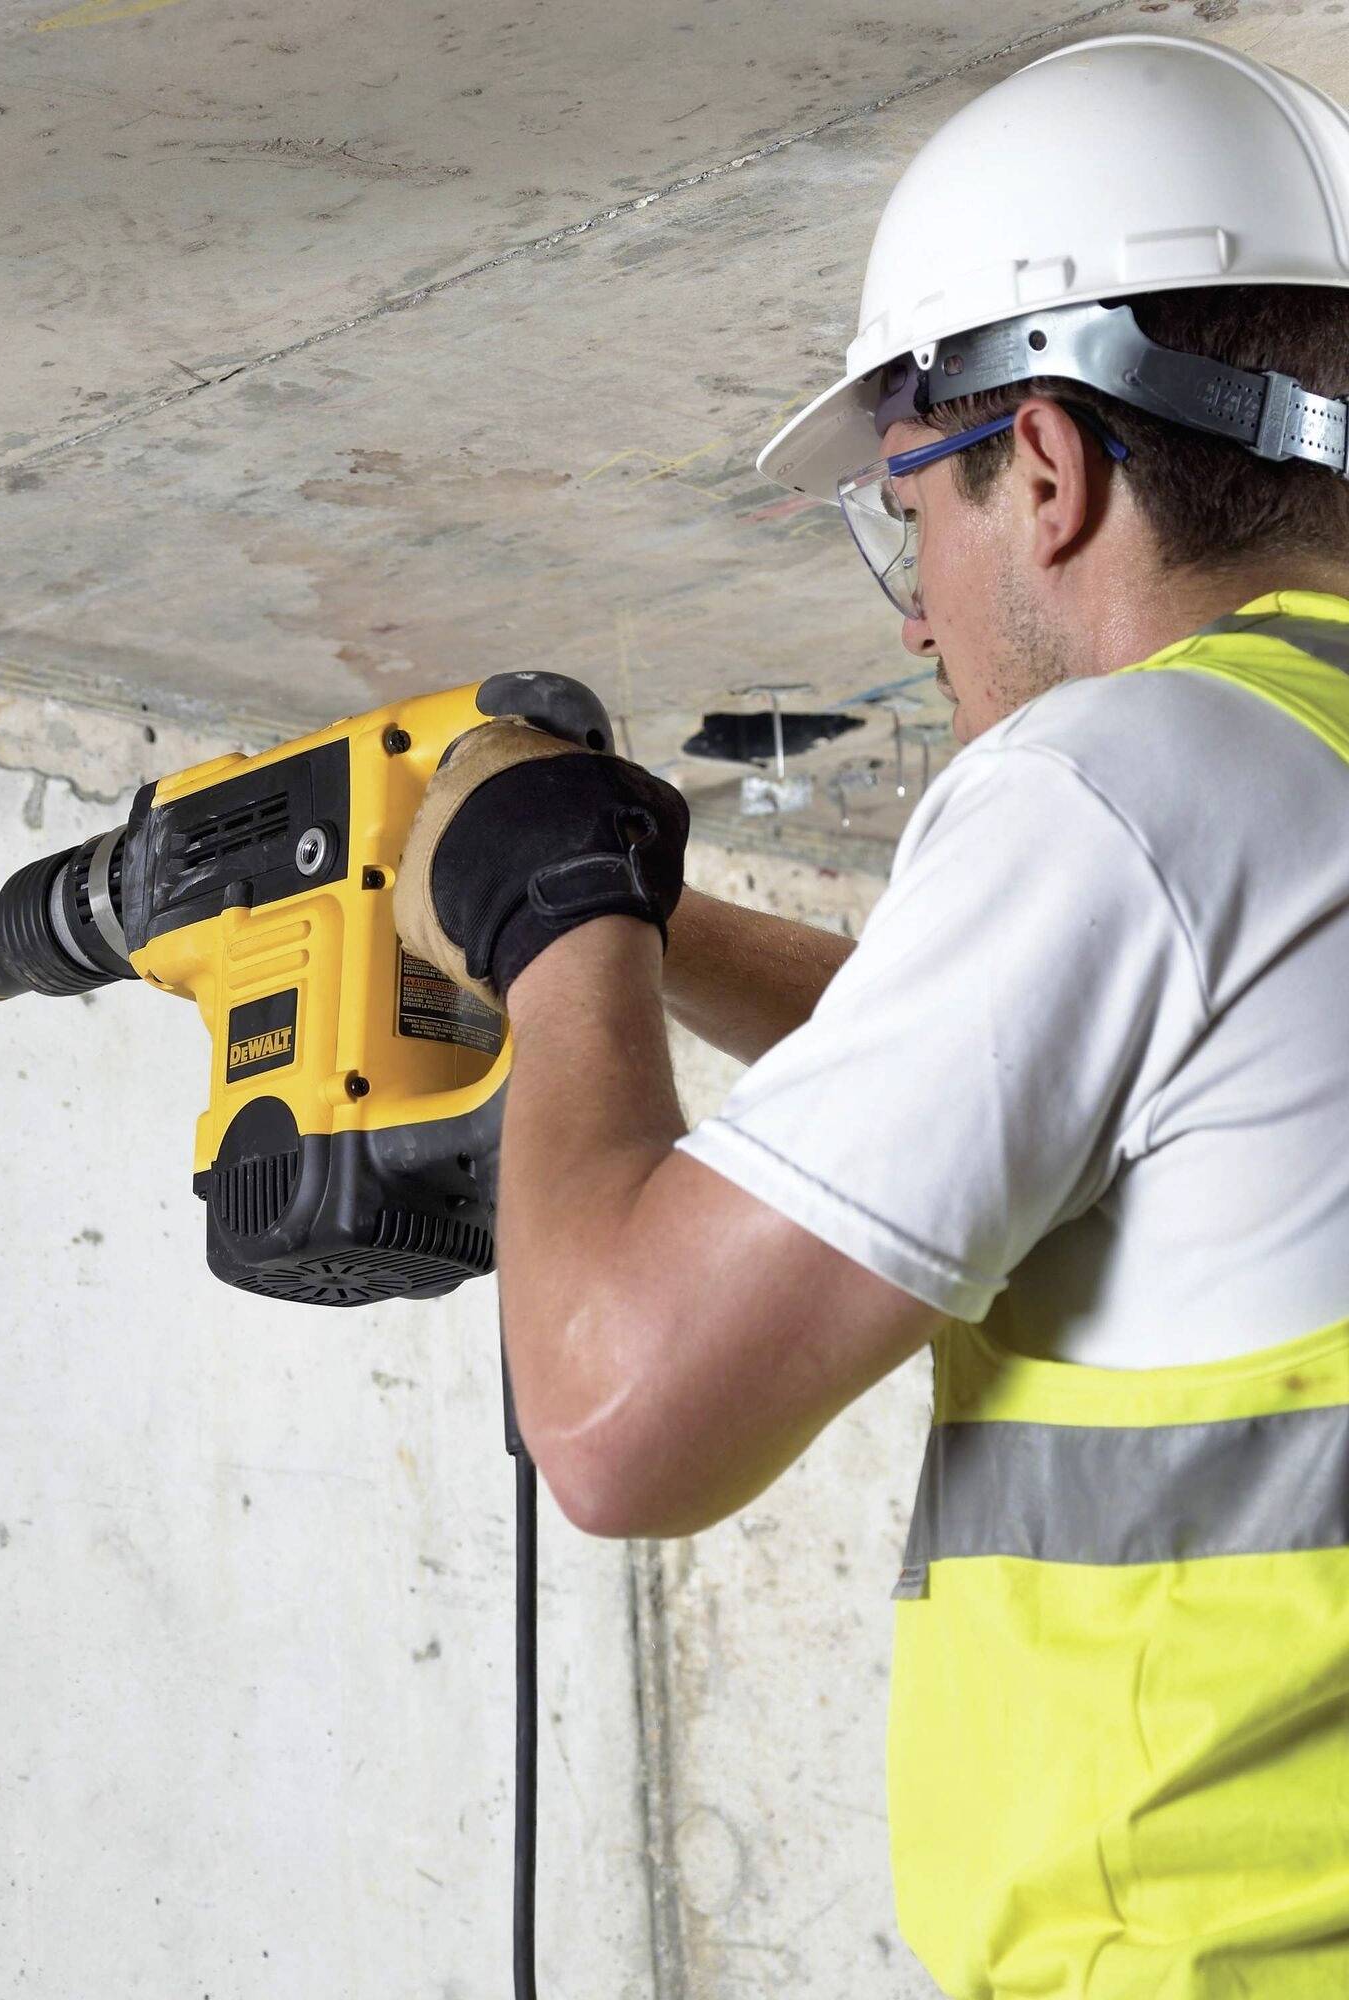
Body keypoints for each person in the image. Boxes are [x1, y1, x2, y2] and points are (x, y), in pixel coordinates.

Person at [395, 33, 1349, 1997]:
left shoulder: (1117, 783)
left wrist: (550, 912)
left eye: (909, 501)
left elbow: (615, 1419)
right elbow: (1108, 1103)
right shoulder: (1280, 790)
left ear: (1053, 469)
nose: (912, 612)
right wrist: (664, 923)